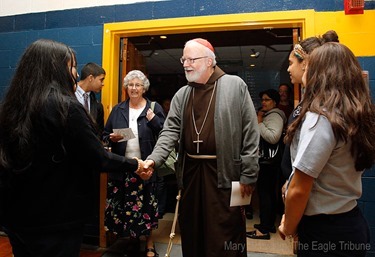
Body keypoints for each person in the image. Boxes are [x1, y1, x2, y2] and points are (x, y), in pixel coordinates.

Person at [0, 39, 152, 257]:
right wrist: (134, 164)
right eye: (72, 66)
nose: (74, 73)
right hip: (55, 218)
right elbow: (96, 157)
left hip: (17, 216)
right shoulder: (65, 107)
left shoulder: (12, 106)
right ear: (56, 68)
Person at [144, 38, 260, 257]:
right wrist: (153, 159)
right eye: (183, 59)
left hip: (225, 174)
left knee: (224, 234)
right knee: (193, 230)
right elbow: (169, 131)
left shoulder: (235, 85)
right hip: (191, 175)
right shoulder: (182, 94)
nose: (185, 64)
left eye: (191, 59)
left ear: (209, 61)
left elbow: (251, 134)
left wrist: (249, 174)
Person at [278, 42, 375, 256]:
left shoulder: (321, 118)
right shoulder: (356, 114)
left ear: (321, 73)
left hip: (324, 231)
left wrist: (289, 226)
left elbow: (300, 188)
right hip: (351, 221)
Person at [103, 70, 165, 257]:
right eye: (130, 85)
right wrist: (112, 138)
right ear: (126, 88)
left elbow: (165, 134)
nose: (134, 88)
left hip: (145, 167)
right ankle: (131, 241)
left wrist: (153, 120)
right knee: (127, 209)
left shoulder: (153, 108)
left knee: (147, 207)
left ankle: (149, 243)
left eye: (138, 85)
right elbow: (105, 135)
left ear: (144, 88)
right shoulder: (118, 109)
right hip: (124, 167)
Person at [281, 30, 339, 181]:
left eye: (291, 63)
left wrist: (293, 190)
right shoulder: (307, 99)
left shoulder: (320, 107)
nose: (288, 69)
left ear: (305, 64)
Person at [247, 89, 286, 240]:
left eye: (267, 99)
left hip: (269, 163)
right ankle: (268, 224)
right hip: (269, 163)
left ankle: (264, 230)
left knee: (265, 195)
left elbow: (273, 137)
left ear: (275, 102)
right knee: (267, 194)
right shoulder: (271, 114)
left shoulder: (275, 115)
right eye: (262, 99)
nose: (263, 102)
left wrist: (259, 122)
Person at [75, 62, 106, 137]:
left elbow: (99, 132)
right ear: (91, 78)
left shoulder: (97, 105)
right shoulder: (67, 94)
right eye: (101, 80)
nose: (103, 84)